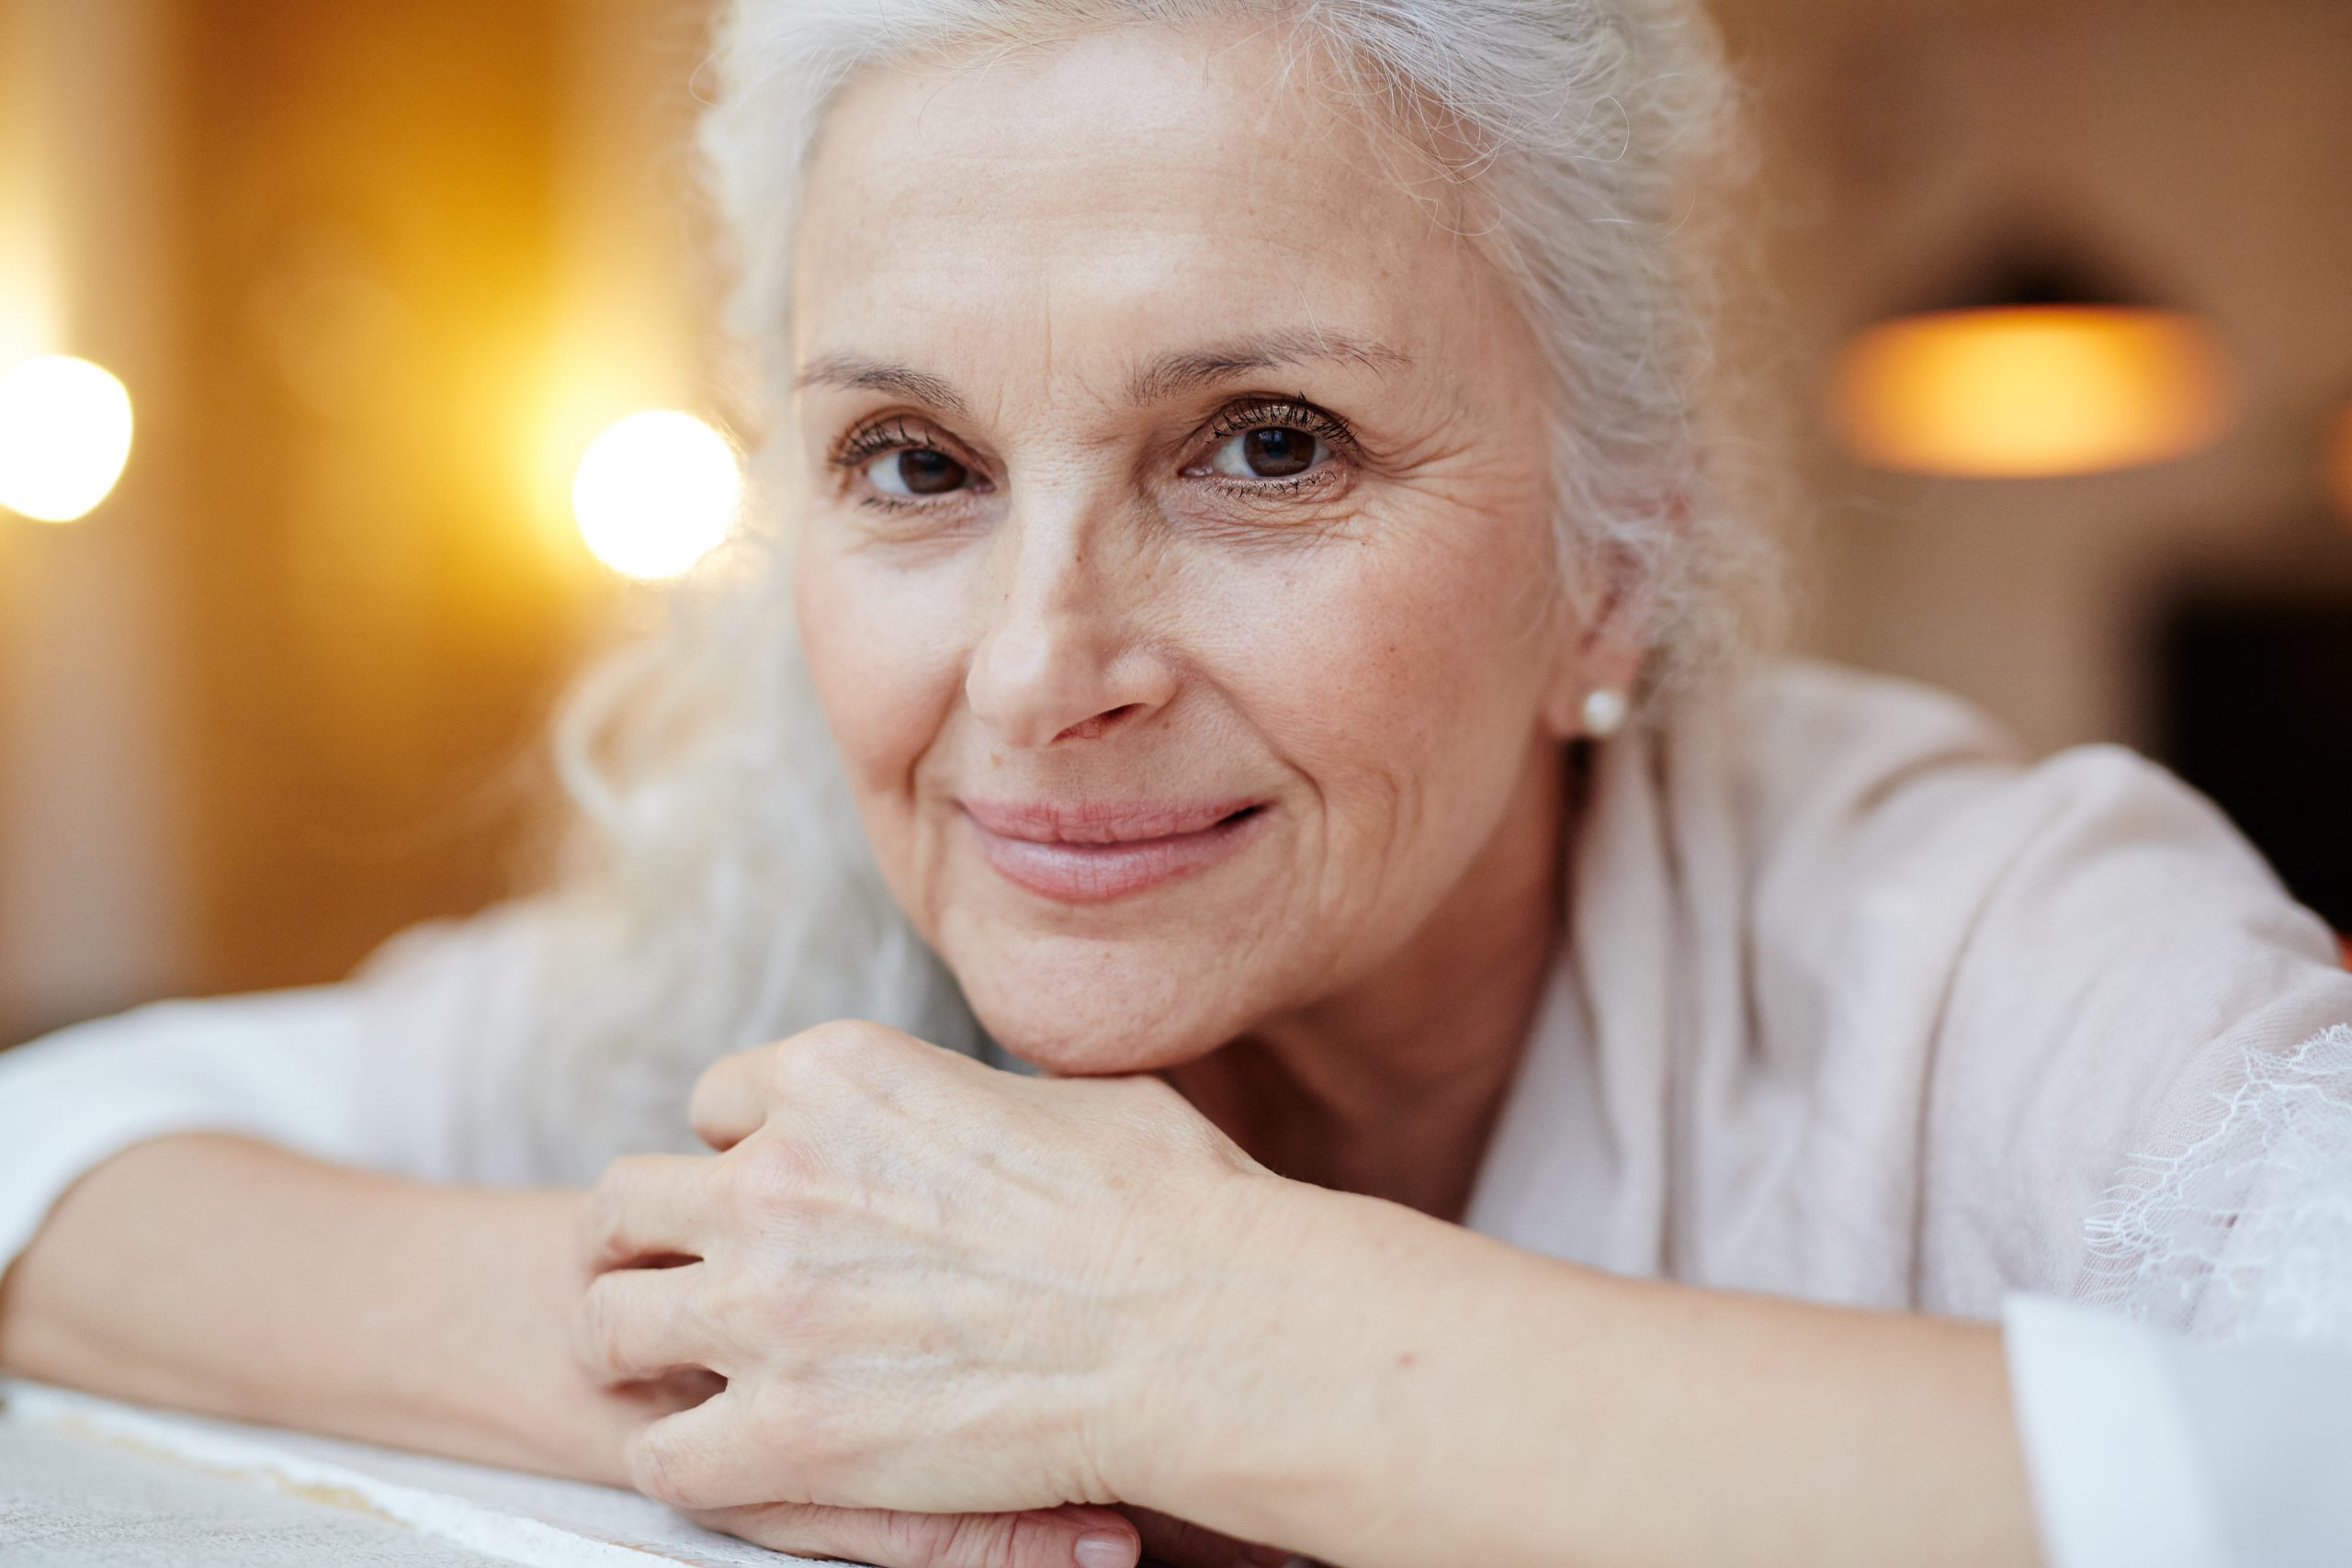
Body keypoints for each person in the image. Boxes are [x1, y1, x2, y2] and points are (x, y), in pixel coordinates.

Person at [4, 3, 2348, 1565]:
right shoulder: (775, 915)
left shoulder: (1987, 941)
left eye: (1261, 444)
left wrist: (1189, 1327)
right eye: (911, 460)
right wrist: (783, 1345)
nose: (1035, 674)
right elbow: (46, 1171)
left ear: (1610, 558)